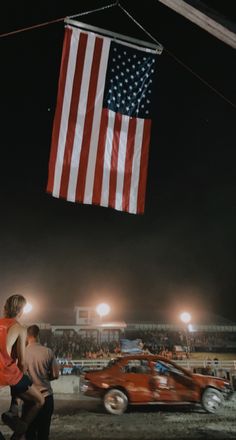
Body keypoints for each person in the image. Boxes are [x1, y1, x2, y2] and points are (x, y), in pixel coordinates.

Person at [0, 294, 44, 440]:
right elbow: (22, 362)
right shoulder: (19, 328)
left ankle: (13, 409)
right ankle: (18, 431)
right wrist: (26, 376)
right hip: (6, 371)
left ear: (6, 308)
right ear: (21, 311)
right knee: (39, 400)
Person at [22, 324, 59, 440]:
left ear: (27, 336)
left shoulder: (22, 353)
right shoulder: (48, 352)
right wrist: (44, 377)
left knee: (29, 433)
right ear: (38, 335)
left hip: (29, 399)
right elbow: (55, 375)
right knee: (43, 433)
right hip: (46, 397)